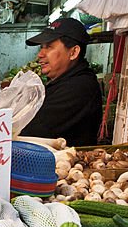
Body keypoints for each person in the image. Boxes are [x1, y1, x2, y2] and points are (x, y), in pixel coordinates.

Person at [17, 17, 103, 146]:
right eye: (41, 47)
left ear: (73, 52)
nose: (40, 54)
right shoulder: (60, 82)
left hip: (67, 163)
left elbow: (28, 130)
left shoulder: (79, 87)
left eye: (49, 47)